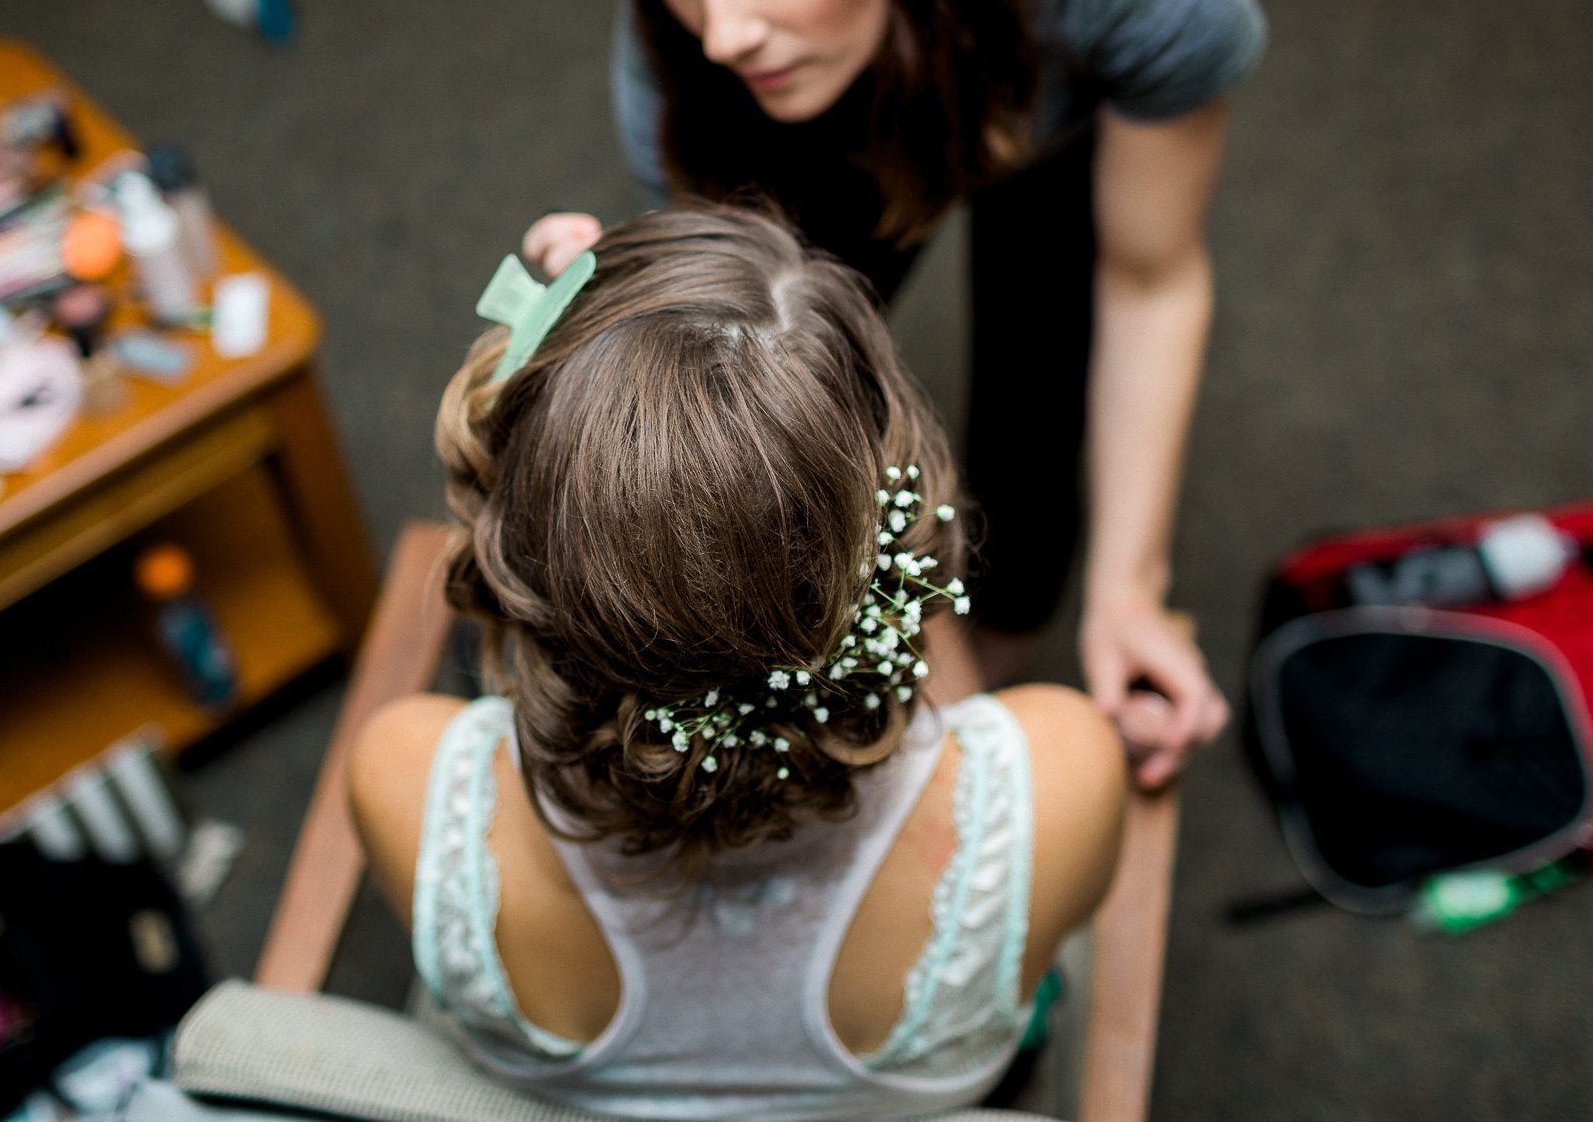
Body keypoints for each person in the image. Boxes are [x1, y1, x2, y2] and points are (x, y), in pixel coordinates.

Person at [352, 208, 1126, 1119]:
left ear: (516, 551)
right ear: (896, 527)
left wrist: (614, 405)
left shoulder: (404, 779)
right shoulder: (1061, 776)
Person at [522, 0, 1264, 787]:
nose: (720, 30)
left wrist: (1131, 592)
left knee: (1040, 386)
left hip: (1051, 83)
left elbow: (1149, 279)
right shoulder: (709, 49)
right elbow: (758, 403)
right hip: (821, 106)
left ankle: (1005, 636)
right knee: (782, 388)